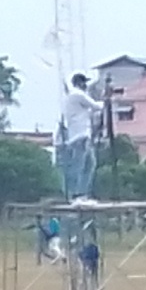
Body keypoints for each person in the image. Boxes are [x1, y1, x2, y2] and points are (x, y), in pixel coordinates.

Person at [58, 73, 103, 202]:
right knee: (80, 165)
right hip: (80, 136)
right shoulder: (78, 95)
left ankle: (81, 193)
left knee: (89, 164)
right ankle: (75, 194)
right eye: (84, 83)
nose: (86, 86)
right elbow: (96, 106)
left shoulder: (71, 98)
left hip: (79, 135)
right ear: (79, 83)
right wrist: (106, 99)